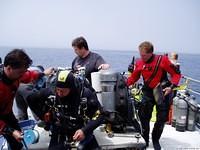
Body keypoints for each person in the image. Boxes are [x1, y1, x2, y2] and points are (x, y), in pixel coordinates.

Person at [27, 70, 104, 150]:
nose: (59, 93)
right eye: (58, 89)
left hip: (81, 129)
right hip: (59, 130)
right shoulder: (51, 93)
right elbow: (30, 99)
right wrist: (42, 115)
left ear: (71, 88)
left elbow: (100, 116)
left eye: (63, 91)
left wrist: (85, 130)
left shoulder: (84, 95)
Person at [127, 41, 181, 150]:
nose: (141, 57)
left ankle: (155, 139)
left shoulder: (163, 60)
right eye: (140, 55)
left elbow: (176, 74)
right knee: (144, 116)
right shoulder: (139, 62)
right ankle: (145, 139)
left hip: (162, 91)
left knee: (162, 118)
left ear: (151, 53)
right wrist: (124, 84)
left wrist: (171, 87)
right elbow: (134, 77)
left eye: (144, 55)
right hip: (147, 91)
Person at [0, 49, 53, 150]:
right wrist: (10, 131)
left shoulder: (16, 75)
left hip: (7, 112)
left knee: (18, 140)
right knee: (13, 134)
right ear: (9, 68)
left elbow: (28, 75)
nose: (22, 75)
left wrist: (43, 74)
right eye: (20, 72)